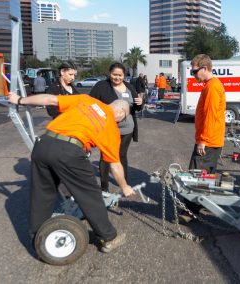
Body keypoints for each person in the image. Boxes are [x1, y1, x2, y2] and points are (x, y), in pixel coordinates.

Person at [7, 91, 135, 253]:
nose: (119, 122)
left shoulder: (86, 100)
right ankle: (109, 237)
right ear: (121, 112)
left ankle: (39, 238)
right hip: (69, 152)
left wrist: (19, 100)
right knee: (90, 195)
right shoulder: (110, 124)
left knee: (42, 194)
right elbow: (115, 164)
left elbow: (50, 99)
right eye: (122, 119)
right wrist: (124, 187)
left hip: (43, 144)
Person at [179, 54, 226, 223]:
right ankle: (203, 203)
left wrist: (203, 140)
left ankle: (190, 211)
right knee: (206, 176)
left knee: (196, 176)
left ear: (204, 69)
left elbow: (210, 116)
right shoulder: (210, 85)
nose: (193, 76)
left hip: (209, 141)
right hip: (212, 140)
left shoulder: (212, 87)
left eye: (194, 72)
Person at [90, 63, 143, 192]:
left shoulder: (129, 86)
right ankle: (104, 186)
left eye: (120, 75)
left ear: (124, 75)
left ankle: (124, 183)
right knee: (106, 157)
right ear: (109, 73)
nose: (117, 78)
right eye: (114, 74)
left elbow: (136, 107)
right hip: (108, 128)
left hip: (127, 129)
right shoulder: (101, 86)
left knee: (122, 155)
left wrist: (141, 103)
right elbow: (91, 104)